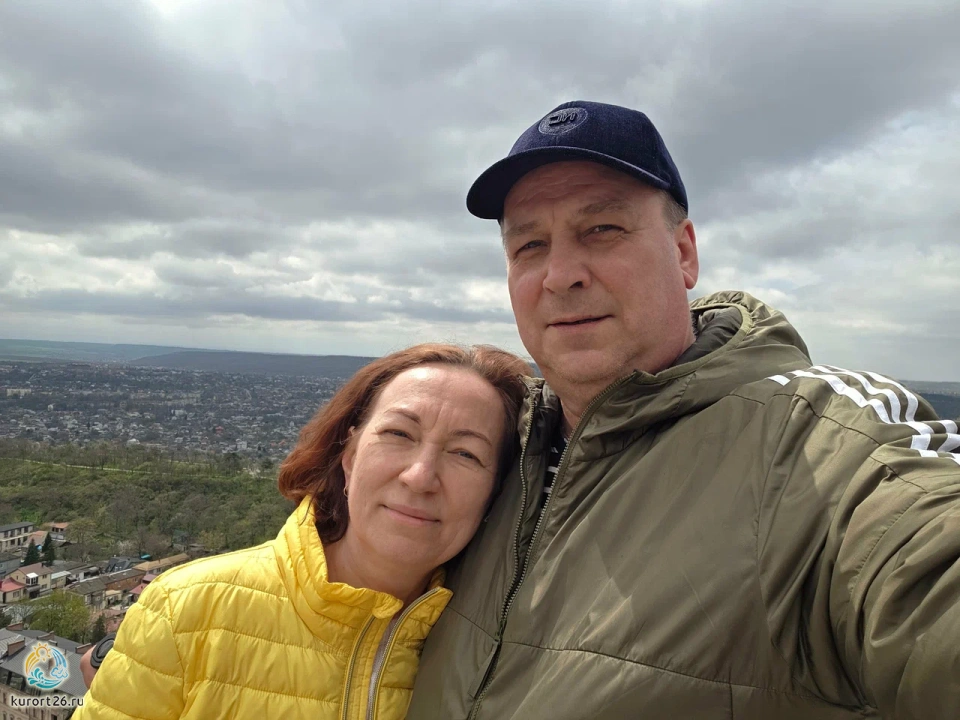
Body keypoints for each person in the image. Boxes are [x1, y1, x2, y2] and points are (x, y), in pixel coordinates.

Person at [406, 101, 960, 719]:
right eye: (529, 245)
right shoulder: (488, 446)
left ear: (684, 253)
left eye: (602, 229)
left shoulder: (812, 442)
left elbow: (923, 553)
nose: (560, 275)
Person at [74, 343, 530, 720]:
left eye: (466, 454)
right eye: (398, 434)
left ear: (497, 493)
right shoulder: (187, 611)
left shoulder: (499, 654)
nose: (420, 476)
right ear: (349, 457)